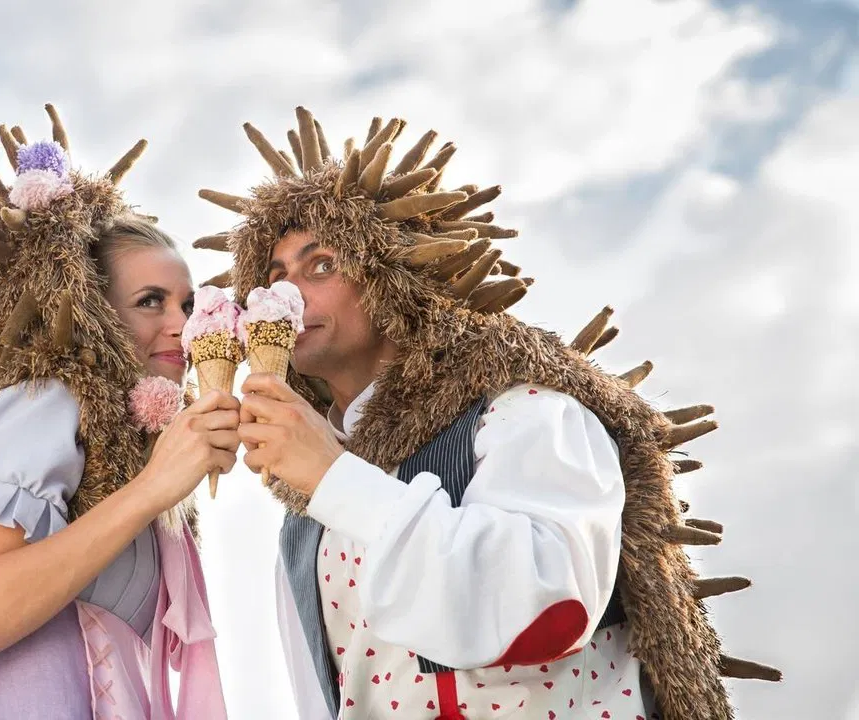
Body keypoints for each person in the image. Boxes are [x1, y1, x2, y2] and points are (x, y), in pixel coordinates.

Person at [196, 107, 779, 719]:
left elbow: (545, 610)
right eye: (274, 275)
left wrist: (335, 478)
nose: (286, 293)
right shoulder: (302, 527)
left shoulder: (525, 413)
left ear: (395, 277)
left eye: (322, 265)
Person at [0, 108, 235, 719]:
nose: (181, 324)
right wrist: (152, 488)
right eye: (150, 301)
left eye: (188, 303)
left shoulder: (128, 442)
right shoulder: (47, 402)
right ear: (94, 313)